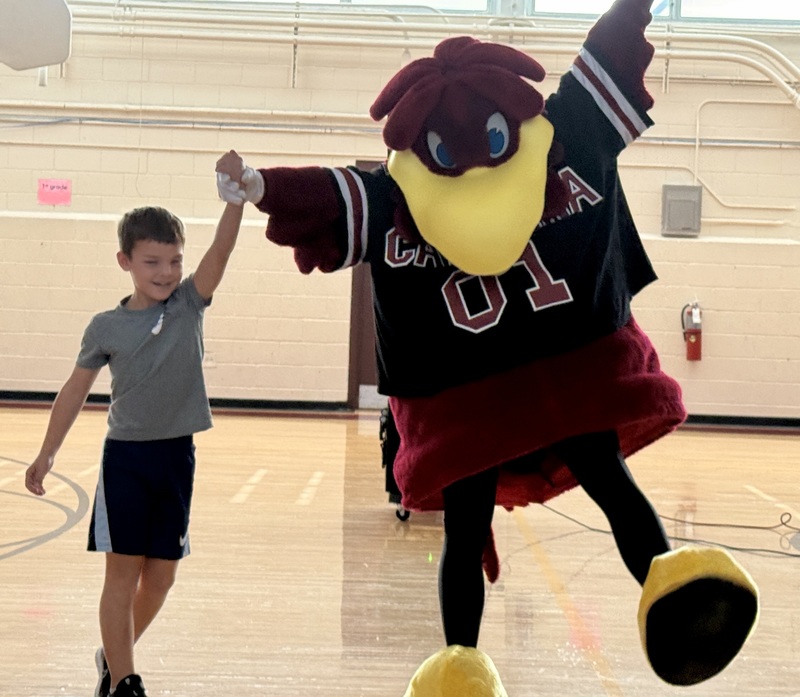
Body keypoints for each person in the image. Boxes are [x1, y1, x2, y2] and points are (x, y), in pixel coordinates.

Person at [215, 0, 758, 692]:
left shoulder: (396, 196)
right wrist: (261, 185)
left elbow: (324, 198)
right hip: (561, 388)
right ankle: (662, 585)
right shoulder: (565, 141)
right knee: (600, 485)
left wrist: (259, 184)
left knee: (470, 532)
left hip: (478, 407)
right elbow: (606, 61)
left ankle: (462, 667)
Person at [25, 151, 245, 697]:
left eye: (173, 261)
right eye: (152, 262)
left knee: (162, 576)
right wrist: (47, 452)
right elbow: (75, 390)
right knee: (122, 574)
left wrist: (235, 198)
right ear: (125, 261)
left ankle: (112, 654)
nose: (166, 273)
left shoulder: (191, 303)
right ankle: (126, 682)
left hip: (176, 458)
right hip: (126, 460)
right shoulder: (106, 326)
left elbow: (221, 251)